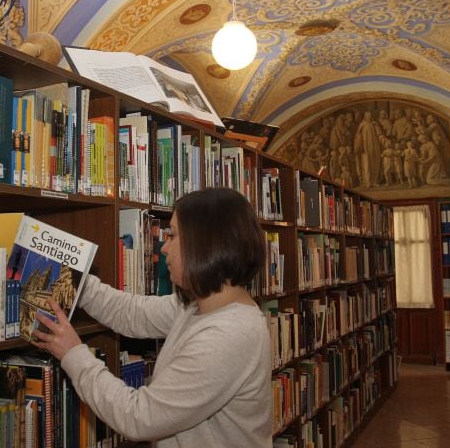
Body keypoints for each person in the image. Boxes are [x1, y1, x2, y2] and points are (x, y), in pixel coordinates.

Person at [31, 187, 273, 447]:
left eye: (173, 235)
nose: (164, 247)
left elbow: (138, 417)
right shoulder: (197, 305)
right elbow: (132, 313)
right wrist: (73, 278)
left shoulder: (229, 336)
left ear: (205, 244)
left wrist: (73, 354)